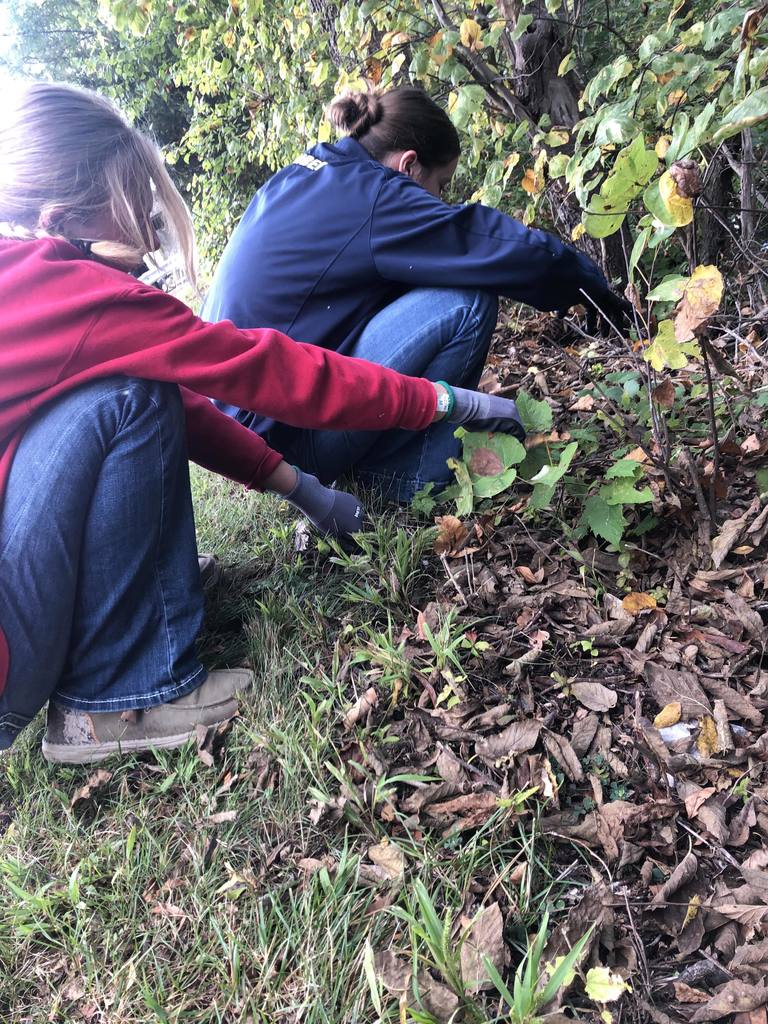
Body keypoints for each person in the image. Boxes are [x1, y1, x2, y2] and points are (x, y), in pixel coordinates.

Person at [0, 82, 525, 764]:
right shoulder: (67, 291)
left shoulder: (23, 280)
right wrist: (447, 401)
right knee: (127, 395)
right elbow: (262, 370)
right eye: (132, 195)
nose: (151, 219)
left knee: (125, 394)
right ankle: (119, 698)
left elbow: (180, 410)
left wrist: (302, 490)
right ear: (62, 212)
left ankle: (129, 607)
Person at [203, 86, 630, 501]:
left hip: (243, 434)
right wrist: (595, 291)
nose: (441, 198)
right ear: (408, 165)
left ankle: (374, 458)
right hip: (287, 443)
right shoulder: (375, 196)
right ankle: (400, 476)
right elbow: (502, 248)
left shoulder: (312, 173)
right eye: (441, 184)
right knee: (467, 305)